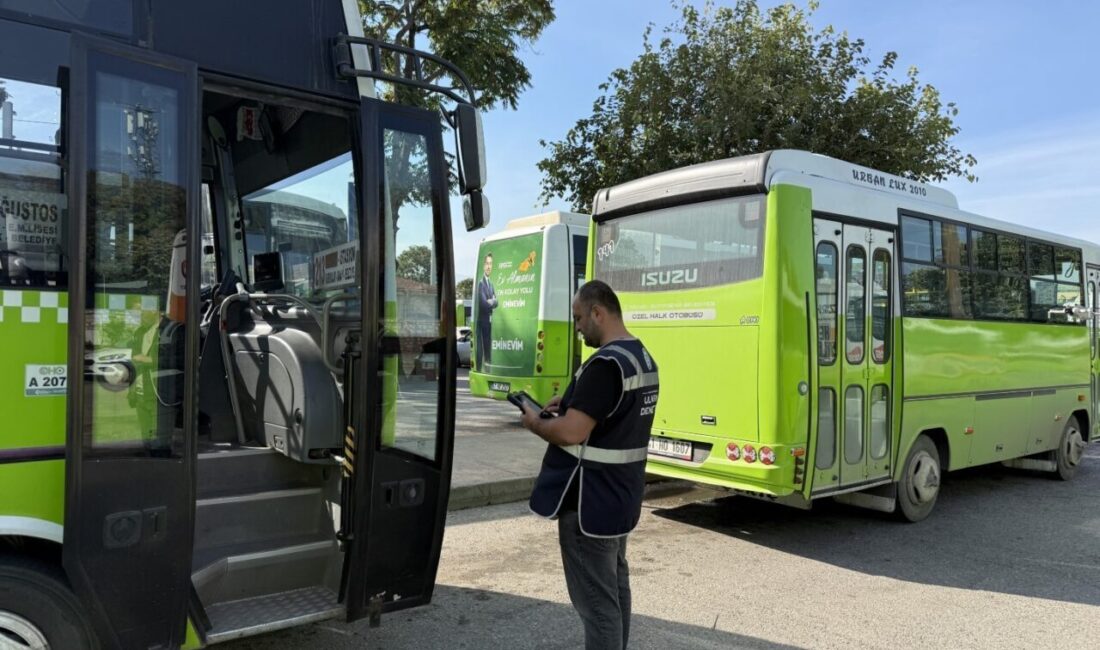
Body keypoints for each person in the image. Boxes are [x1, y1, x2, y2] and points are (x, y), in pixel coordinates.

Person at [520, 280, 659, 649]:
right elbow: (610, 416)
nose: (577, 327)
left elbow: (571, 433)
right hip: (619, 499)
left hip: (588, 505)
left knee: (597, 606)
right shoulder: (640, 357)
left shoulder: (605, 364)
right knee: (614, 590)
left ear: (598, 312)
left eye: (579, 318)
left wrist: (536, 422)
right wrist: (570, 401)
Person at [475, 252, 497, 371]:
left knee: (488, 348)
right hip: (482, 321)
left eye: (491, 264)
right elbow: (483, 303)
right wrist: (491, 301)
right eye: (487, 263)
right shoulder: (481, 283)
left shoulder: (491, 284)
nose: (489, 266)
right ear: (484, 266)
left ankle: (488, 370)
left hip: (489, 322)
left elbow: (496, 302)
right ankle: (479, 370)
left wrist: (492, 301)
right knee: (481, 350)